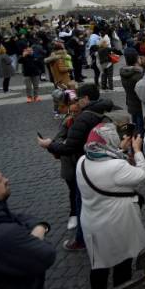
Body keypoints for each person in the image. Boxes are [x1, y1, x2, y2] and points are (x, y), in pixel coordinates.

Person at [76, 120, 145, 289]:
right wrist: (138, 152)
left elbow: (110, 162)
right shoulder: (117, 166)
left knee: (99, 265)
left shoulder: (83, 160)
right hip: (115, 224)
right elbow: (141, 175)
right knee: (122, 262)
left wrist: (121, 150)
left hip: (92, 222)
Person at [38, 83, 115, 251]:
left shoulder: (84, 118)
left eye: (79, 99)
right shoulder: (110, 106)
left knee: (82, 204)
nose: (77, 102)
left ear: (86, 98)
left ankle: (80, 240)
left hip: (87, 166)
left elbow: (69, 147)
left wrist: (49, 145)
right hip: (110, 163)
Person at [119, 50, 145, 133]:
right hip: (140, 103)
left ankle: (135, 139)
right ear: (136, 59)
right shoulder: (139, 74)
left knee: (135, 124)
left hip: (130, 101)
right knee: (141, 127)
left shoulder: (124, 72)